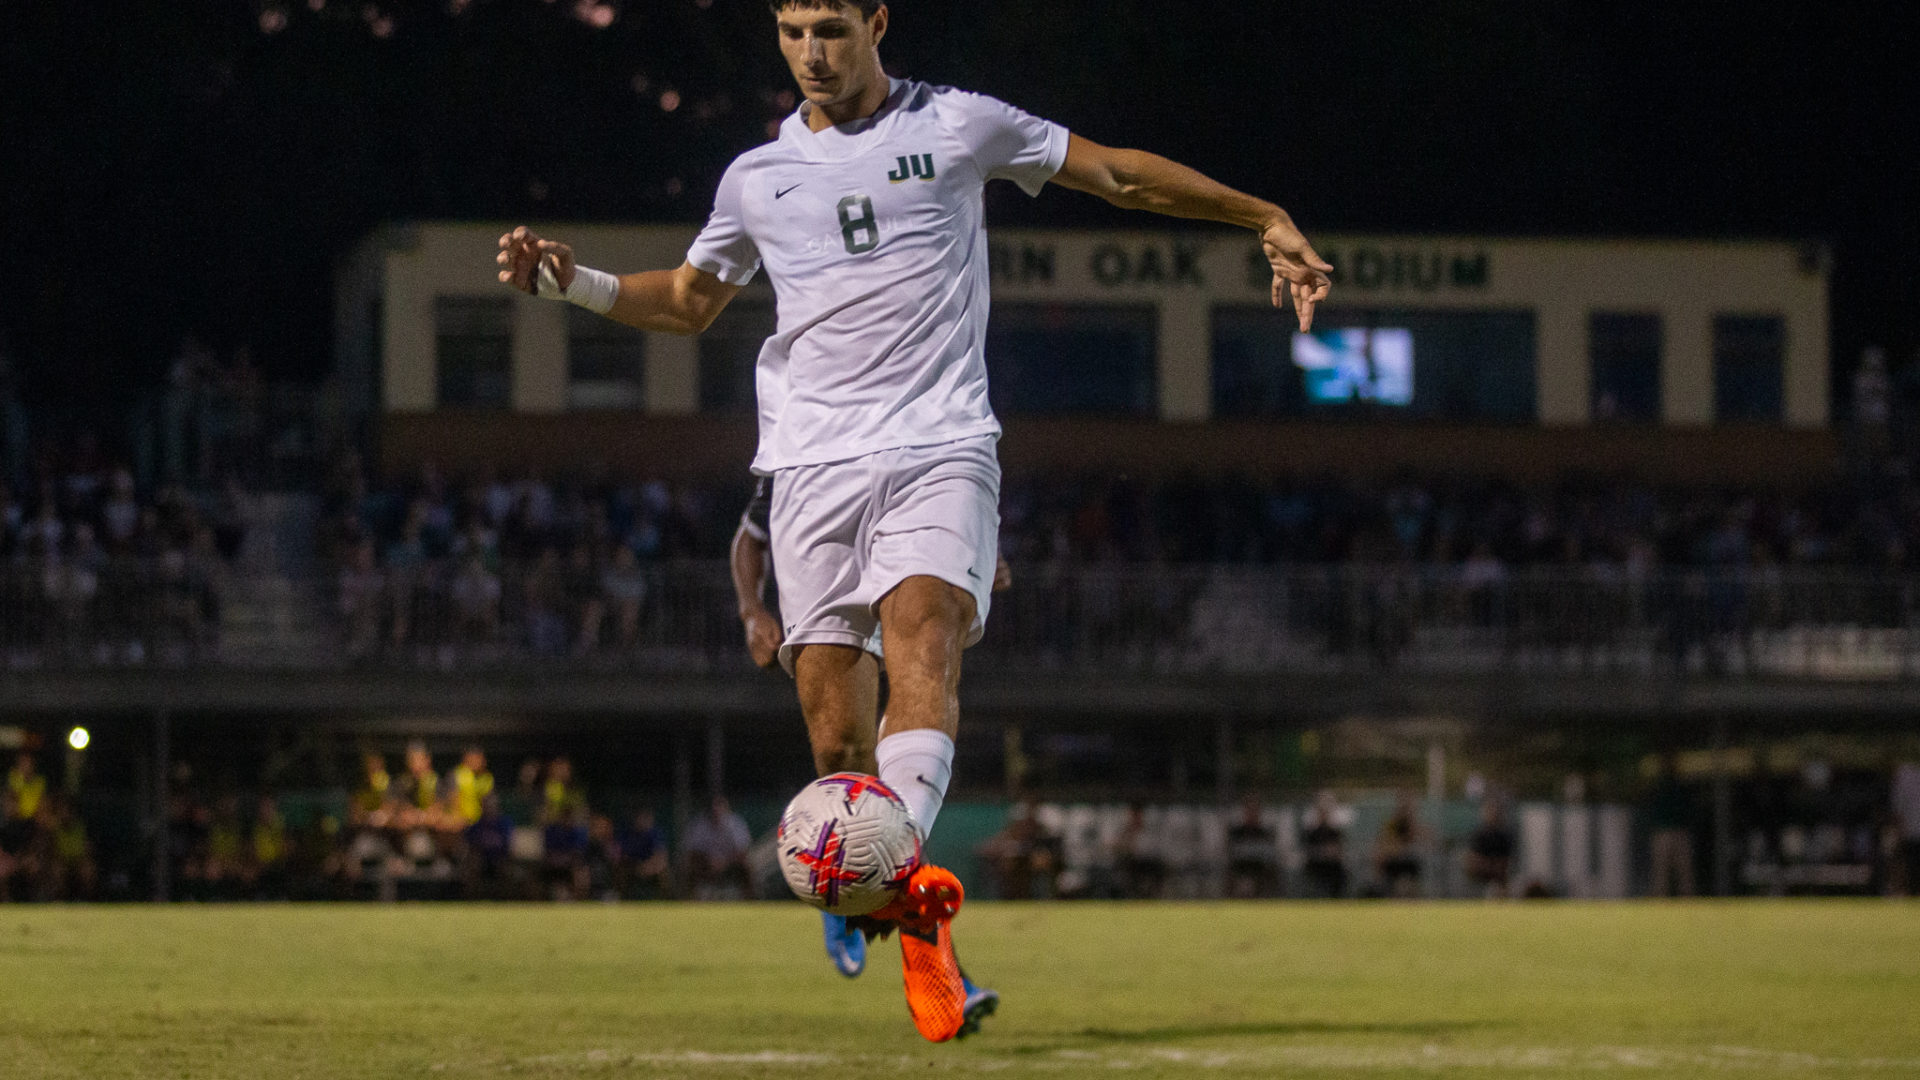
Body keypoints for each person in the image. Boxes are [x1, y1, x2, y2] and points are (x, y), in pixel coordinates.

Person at [496, 0, 1330, 1042]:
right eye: (794, 29)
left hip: (940, 445)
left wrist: (1261, 216)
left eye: (832, 27)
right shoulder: (755, 178)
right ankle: (873, 886)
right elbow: (689, 301)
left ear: (877, 21)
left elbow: (1115, 172)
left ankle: (917, 931)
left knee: (923, 637)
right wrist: (573, 283)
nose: (812, 51)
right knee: (836, 736)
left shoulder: (956, 125)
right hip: (805, 470)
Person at [1464, 796, 1516, 899]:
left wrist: (1496, 868)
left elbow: (1505, 861)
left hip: (1498, 875)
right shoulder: (1478, 834)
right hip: (1479, 874)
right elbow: (1472, 859)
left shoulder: (1504, 835)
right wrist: (1488, 866)